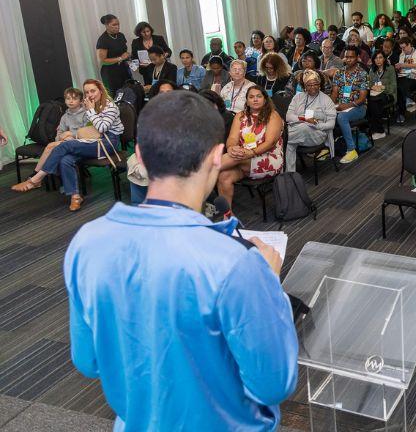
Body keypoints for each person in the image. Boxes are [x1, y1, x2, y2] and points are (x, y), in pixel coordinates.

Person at [63, 91, 297, 430]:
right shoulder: (236, 263)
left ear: (139, 156)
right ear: (217, 156)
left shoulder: (86, 243)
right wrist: (269, 284)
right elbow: (274, 382)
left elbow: (88, 361)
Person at [13, 79, 124, 212]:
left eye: (93, 91)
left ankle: (36, 179)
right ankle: (75, 196)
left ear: (100, 90)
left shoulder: (110, 106)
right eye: (87, 92)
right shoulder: (91, 105)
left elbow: (101, 128)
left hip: (108, 142)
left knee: (64, 147)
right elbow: (87, 130)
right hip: (92, 141)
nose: (90, 94)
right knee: (65, 159)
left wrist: (90, 111)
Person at [216, 86, 284, 206]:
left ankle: (202, 171)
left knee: (234, 157)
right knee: (223, 176)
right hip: (243, 158)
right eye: (251, 97)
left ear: (265, 99)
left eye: (259, 96)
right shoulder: (240, 116)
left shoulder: (273, 116)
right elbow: (232, 138)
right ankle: (227, 216)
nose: (255, 100)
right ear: (247, 100)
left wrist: (251, 153)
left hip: (269, 158)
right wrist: (231, 147)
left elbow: (270, 143)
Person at [28, 87, 89, 175]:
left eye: (74, 99)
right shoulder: (64, 116)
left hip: (82, 142)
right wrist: (61, 137)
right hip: (67, 141)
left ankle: (36, 174)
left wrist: (70, 134)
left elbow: (87, 133)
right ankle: (39, 175)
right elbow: (59, 133)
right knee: (53, 148)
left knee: (50, 147)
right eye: (68, 99)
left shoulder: (86, 114)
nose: (71, 101)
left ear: (81, 101)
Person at [285, 70, 337, 170]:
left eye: (315, 84)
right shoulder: (298, 97)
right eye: (309, 85)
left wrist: (316, 124)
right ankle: (290, 174)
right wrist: (304, 119)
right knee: (290, 144)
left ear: (319, 84)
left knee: (301, 129)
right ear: (304, 86)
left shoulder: (326, 99)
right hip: (298, 134)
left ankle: (280, 138)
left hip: (318, 134)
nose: (313, 87)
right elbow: (288, 116)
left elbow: (331, 124)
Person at [331, 47, 369, 164]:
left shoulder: (362, 74)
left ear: (357, 58)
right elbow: (334, 93)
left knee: (342, 117)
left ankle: (351, 150)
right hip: (341, 105)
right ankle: (327, 147)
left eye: (351, 57)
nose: (348, 59)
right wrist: (331, 106)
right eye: (346, 57)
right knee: (325, 114)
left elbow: (362, 99)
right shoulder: (339, 73)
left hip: (358, 107)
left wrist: (346, 106)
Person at [95, 14, 131, 94]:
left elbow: (123, 51)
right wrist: (120, 58)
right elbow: (102, 61)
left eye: (118, 24)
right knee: (115, 94)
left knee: (128, 92)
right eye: (114, 25)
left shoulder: (121, 35)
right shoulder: (103, 40)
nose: (117, 26)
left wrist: (127, 55)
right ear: (107, 26)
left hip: (123, 69)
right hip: (110, 73)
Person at [367, 50, 397, 140]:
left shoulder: (390, 68)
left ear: (384, 59)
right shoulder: (372, 70)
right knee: (369, 102)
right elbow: (368, 83)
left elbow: (393, 86)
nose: (378, 60)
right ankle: (373, 128)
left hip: (389, 94)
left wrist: (382, 88)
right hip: (374, 94)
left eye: (380, 57)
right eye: (376, 58)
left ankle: (379, 131)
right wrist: (373, 86)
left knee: (374, 102)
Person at [395, 38, 416, 124]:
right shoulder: (402, 55)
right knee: (398, 87)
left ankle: (407, 103)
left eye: (404, 47)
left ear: (409, 44)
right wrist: (398, 68)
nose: (402, 50)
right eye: (401, 48)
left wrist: (405, 65)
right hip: (403, 78)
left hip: (415, 79)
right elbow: (401, 69)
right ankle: (407, 102)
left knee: (402, 85)